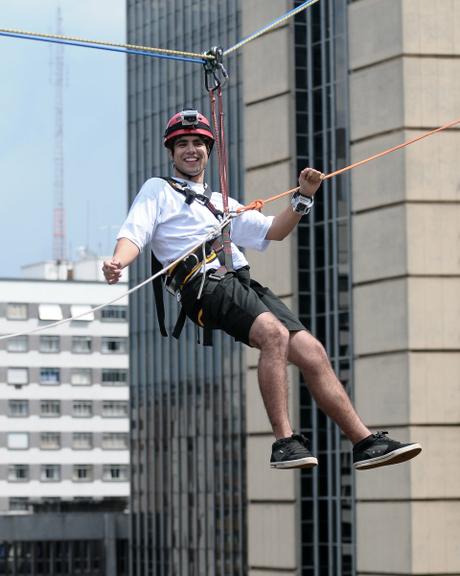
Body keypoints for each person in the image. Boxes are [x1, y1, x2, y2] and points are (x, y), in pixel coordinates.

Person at [103, 109, 422, 471]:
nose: (190, 151)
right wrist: (118, 262)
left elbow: (274, 230)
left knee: (311, 351)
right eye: (182, 145)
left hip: (239, 282)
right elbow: (135, 233)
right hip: (203, 285)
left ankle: (363, 442)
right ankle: (284, 441)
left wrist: (304, 196)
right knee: (272, 333)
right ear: (171, 152)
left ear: (208, 150)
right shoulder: (158, 190)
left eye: (197, 144)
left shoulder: (221, 202)